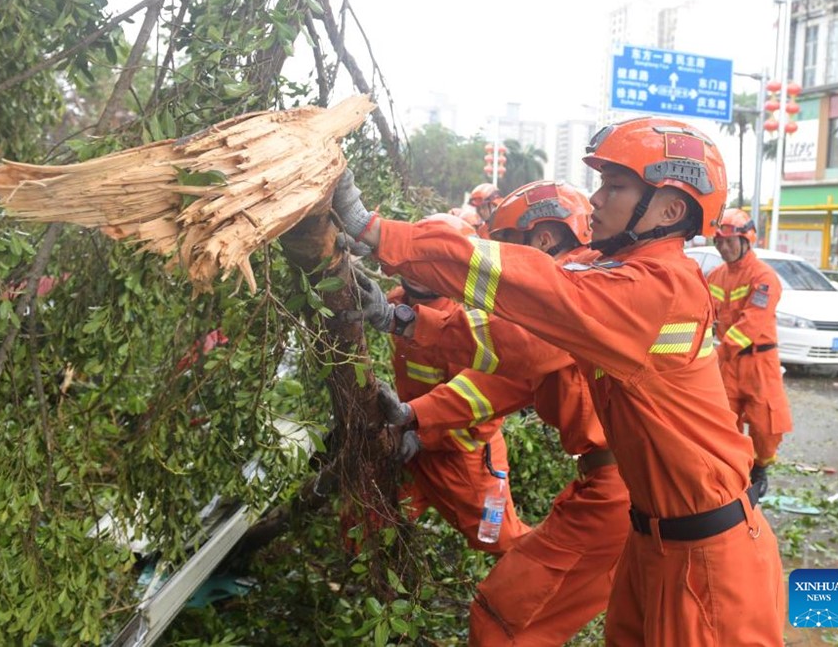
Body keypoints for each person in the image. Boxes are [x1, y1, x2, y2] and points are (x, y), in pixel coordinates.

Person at [334, 117, 785, 645]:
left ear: (670, 209)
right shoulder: (615, 276)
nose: (596, 200)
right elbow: (519, 343)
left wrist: (381, 234)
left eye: (615, 186)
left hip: (707, 556)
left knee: (501, 624)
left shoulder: (655, 288)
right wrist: (409, 327)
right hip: (655, 537)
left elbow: (538, 293)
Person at [354, 182, 631, 646]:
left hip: (469, 457)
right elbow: (497, 382)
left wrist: (415, 416)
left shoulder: (571, 298)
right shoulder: (569, 300)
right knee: (373, 521)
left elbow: (493, 378)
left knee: (504, 593)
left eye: (508, 248)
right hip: (611, 486)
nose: (504, 270)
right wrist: (412, 415)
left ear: (542, 240)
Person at [372, 213, 536, 554]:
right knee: (368, 526)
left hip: (465, 458)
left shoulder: (472, 324)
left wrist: (422, 435)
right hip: (410, 442)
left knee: (503, 542)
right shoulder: (398, 301)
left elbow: (482, 410)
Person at [707, 208, 793, 502]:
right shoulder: (716, 276)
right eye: (719, 242)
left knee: (765, 422)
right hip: (727, 362)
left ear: (746, 241)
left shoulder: (764, 277)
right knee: (722, 418)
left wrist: (718, 353)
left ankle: (760, 467)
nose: (723, 247)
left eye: (729, 241)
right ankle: (733, 472)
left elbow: (752, 322)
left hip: (758, 361)